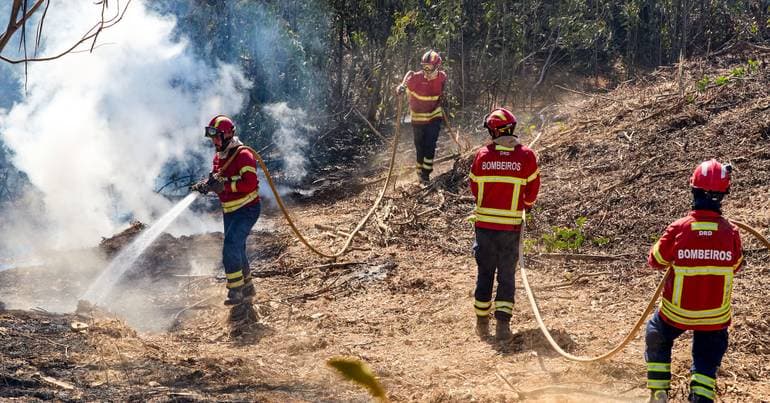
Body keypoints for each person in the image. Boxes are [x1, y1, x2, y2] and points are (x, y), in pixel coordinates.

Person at [644, 159, 744, 403]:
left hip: (677, 314)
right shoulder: (730, 233)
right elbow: (737, 265)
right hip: (715, 317)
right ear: (724, 194)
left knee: (656, 332)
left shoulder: (680, 228)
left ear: (693, 189)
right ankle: (700, 396)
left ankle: (658, 393)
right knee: (707, 358)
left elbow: (655, 260)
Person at [468, 107, 540, 342]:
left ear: (493, 131)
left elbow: (474, 187)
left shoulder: (482, 156)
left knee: (485, 272)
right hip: (510, 229)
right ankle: (502, 326)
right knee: (507, 275)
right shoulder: (526, 157)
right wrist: (525, 206)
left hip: (485, 228)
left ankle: (481, 323)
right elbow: (532, 191)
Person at [191, 115, 261, 306]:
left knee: (230, 247)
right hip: (230, 210)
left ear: (229, 134)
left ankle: (235, 292)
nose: (214, 141)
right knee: (238, 248)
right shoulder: (219, 156)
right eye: (212, 137)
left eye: (217, 136)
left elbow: (250, 183)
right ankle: (248, 289)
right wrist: (206, 185)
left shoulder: (243, 155)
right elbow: (218, 178)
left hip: (247, 209)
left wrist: (225, 186)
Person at [396, 49, 447, 184]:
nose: (426, 71)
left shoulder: (442, 77)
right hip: (418, 119)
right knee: (420, 147)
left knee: (430, 145)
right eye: (424, 67)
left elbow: (442, 91)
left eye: (429, 68)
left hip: (434, 116)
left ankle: (425, 174)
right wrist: (400, 89)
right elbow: (403, 85)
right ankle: (419, 172)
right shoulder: (416, 78)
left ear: (437, 67)